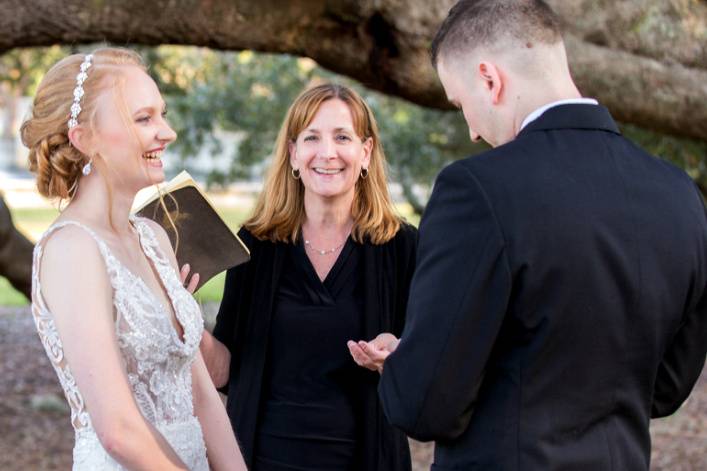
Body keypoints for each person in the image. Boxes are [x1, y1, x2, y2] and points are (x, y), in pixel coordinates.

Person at [349, 1, 707, 469]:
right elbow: (666, 387)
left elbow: (425, 405)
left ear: (489, 80)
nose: (473, 132)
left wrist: (404, 363)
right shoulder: (678, 193)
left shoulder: (477, 191)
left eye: (461, 105)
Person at [21, 48, 246, 470]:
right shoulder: (72, 250)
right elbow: (118, 430)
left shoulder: (155, 238)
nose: (167, 132)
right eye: (144, 118)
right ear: (83, 139)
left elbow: (200, 396)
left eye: (161, 114)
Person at [199, 83, 416, 470]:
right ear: (294, 154)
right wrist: (183, 318)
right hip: (263, 460)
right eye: (312, 137)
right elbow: (224, 374)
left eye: (342, 137)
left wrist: (397, 352)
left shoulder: (401, 247)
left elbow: (428, 368)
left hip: (367, 460)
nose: (327, 153)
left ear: (365, 153)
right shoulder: (255, 245)